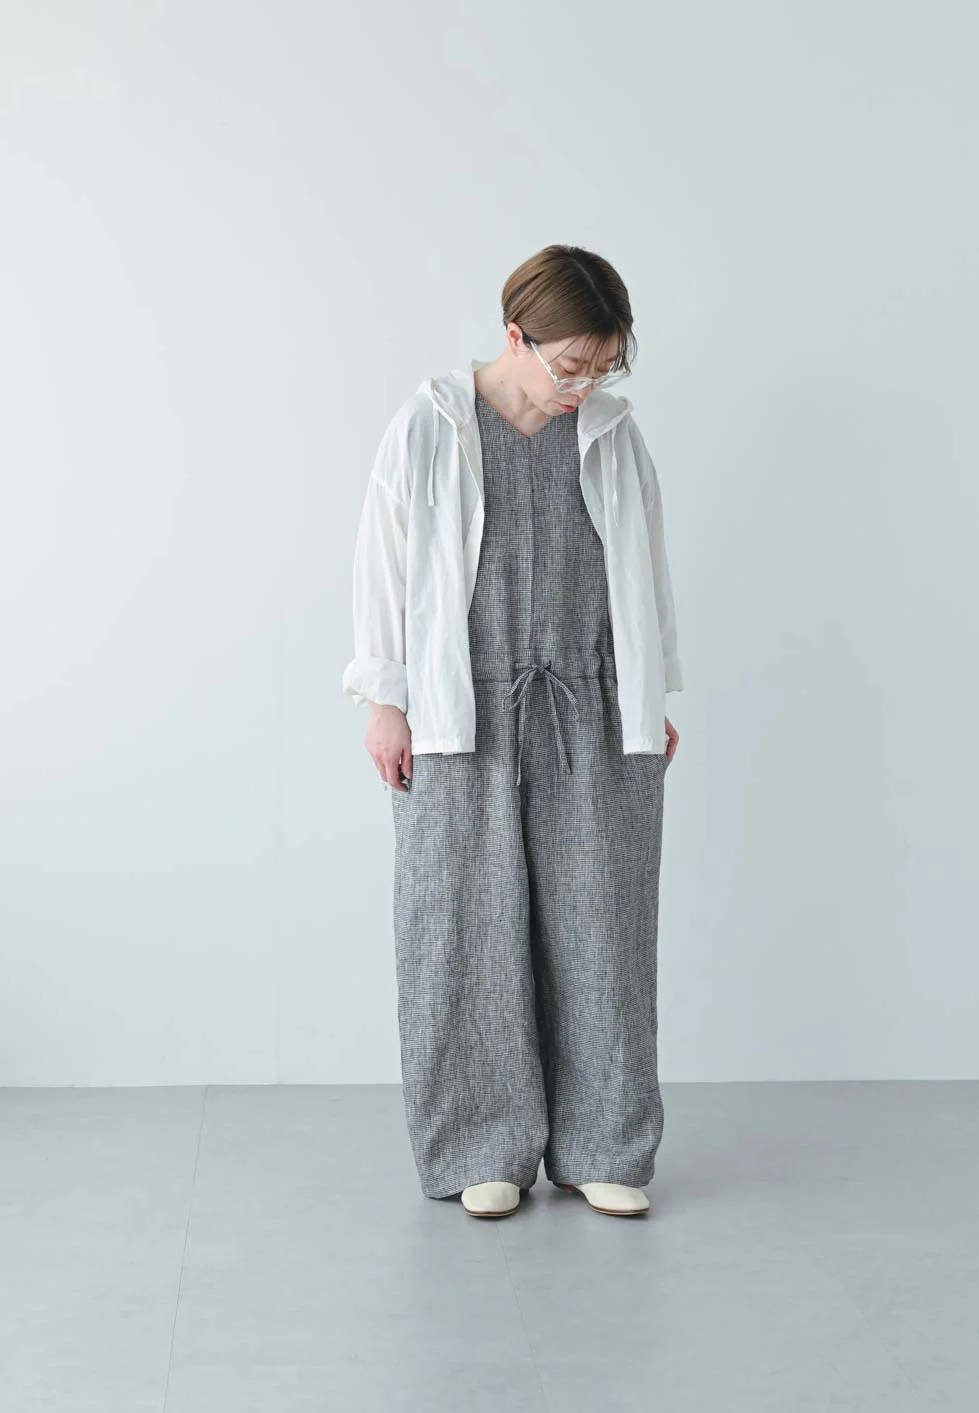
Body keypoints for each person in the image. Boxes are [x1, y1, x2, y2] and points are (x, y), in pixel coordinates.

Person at [343, 244, 684, 1218]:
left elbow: (645, 569)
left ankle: (602, 1143)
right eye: (570, 364)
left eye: (602, 367)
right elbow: (382, 562)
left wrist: (649, 696)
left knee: (602, 923)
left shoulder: (613, 434)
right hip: (459, 706)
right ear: (515, 336)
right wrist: (384, 699)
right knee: (461, 923)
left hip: (591, 702)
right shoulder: (431, 424)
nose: (584, 386)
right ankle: (480, 1145)